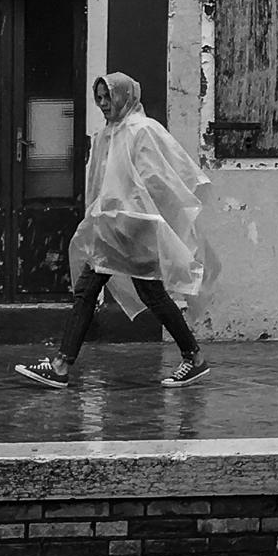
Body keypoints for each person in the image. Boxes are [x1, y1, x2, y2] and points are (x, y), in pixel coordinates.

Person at [15, 72, 221, 389]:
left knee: (125, 291)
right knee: (119, 290)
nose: (102, 104)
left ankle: (62, 365)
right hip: (113, 227)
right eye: (98, 98)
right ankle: (192, 358)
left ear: (124, 96)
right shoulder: (110, 134)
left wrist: (133, 218)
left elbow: (155, 179)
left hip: (133, 228)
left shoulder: (142, 131)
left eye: (107, 97)